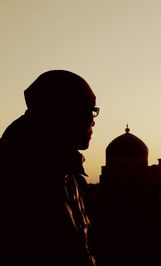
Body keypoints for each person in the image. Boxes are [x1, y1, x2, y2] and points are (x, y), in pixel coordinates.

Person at [0, 70, 98, 265]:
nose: (93, 120)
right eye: (89, 111)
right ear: (66, 112)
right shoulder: (25, 175)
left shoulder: (64, 170)